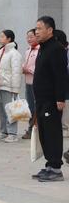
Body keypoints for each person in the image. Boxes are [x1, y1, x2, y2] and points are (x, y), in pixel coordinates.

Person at [32, 16, 68, 182]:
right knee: (44, 133)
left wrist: (60, 98)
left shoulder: (56, 49)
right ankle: (49, 164)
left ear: (50, 30)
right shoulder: (43, 48)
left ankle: (56, 168)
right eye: (36, 29)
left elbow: (61, 76)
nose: (36, 32)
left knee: (53, 133)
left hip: (52, 101)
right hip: (41, 100)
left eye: (39, 28)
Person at [0, 30, 23, 142]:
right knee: (2, 110)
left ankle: (12, 133)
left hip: (8, 86)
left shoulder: (14, 53)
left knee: (10, 110)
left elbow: (16, 72)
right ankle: (4, 132)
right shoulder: (1, 51)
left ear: (9, 39)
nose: (0, 38)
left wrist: (15, 89)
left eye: (2, 36)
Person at [21, 29, 39, 139]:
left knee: (36, 107)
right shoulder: (28, 51)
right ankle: (31, 128)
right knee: (30, 107)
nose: (29, 39)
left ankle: (34, 129)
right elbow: (25, 63)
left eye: (31, 36)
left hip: (36, 83)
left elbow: (39, 67)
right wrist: (23, 68)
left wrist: (30, 70)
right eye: (27, 37)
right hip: (28, 82)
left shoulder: (40, 50)